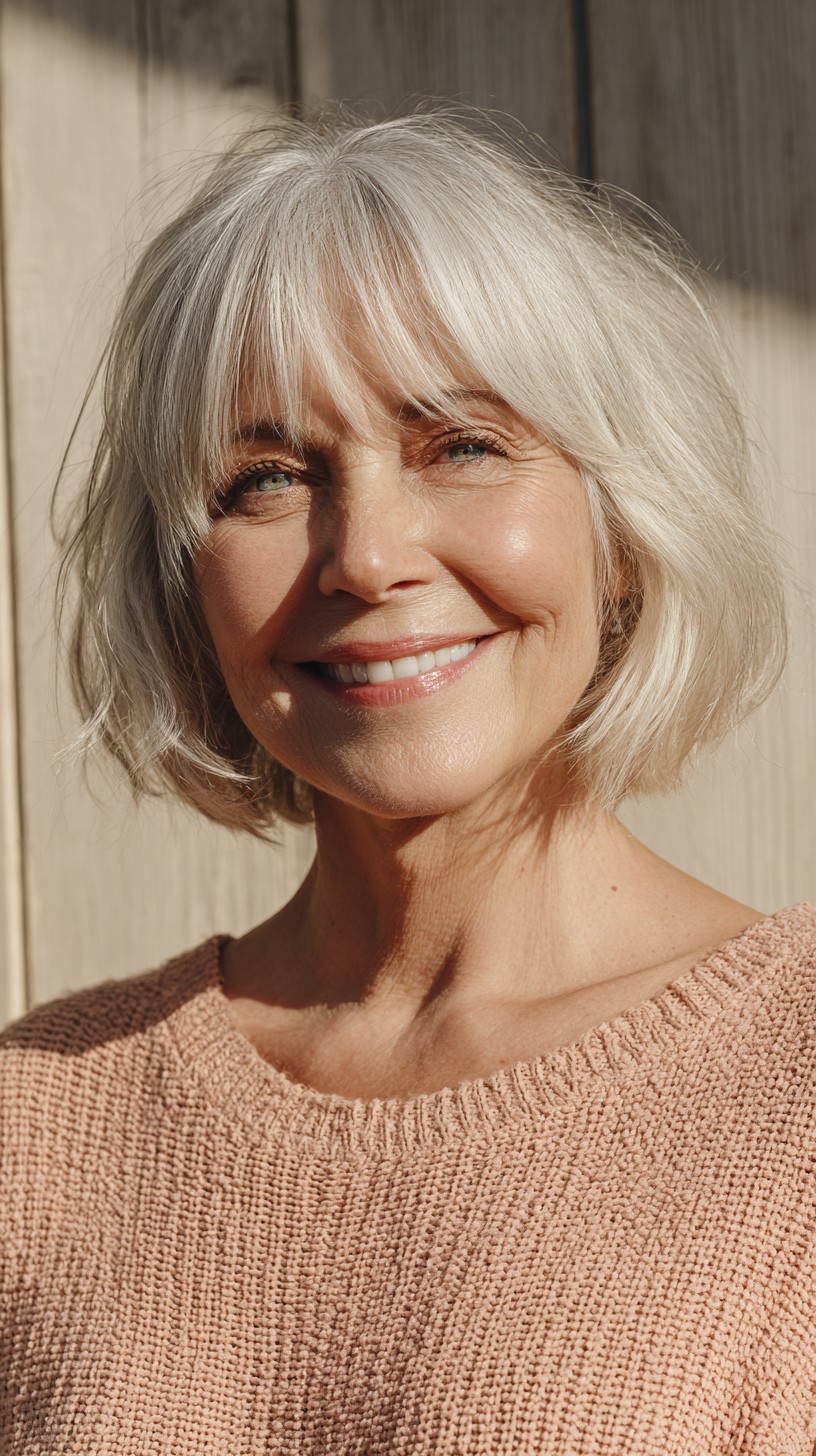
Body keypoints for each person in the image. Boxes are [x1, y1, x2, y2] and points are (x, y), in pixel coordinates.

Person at [2, 102, 814, 1455]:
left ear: (618, 527)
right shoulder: (33, 1127)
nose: (367, 556)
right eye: (267, 477)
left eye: (462, 446)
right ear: (179, 583)